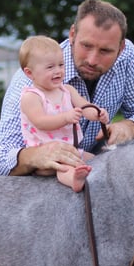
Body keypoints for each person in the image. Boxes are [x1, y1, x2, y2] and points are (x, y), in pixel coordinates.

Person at [0, 0, 134, 177]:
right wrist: (35, 156)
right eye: (86, 45)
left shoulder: (127, 56)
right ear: (72, 34)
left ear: (120, 48)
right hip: (45, 175)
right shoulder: (33, 81)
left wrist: (131, 127)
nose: (92, 60)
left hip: (91, 156)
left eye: (105, 51)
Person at [18, 35, 110, 192]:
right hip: (46, 155)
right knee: (65, 168)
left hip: (71, 151)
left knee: (96, 160)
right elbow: (40, 121)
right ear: (29, 73)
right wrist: (66, 118)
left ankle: (95, 179)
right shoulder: (31, 97)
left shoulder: (66, 90)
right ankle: (74, 180)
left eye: (61, 65)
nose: (58, 71)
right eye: (50, 67)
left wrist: (97, 114)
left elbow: (84, 106)